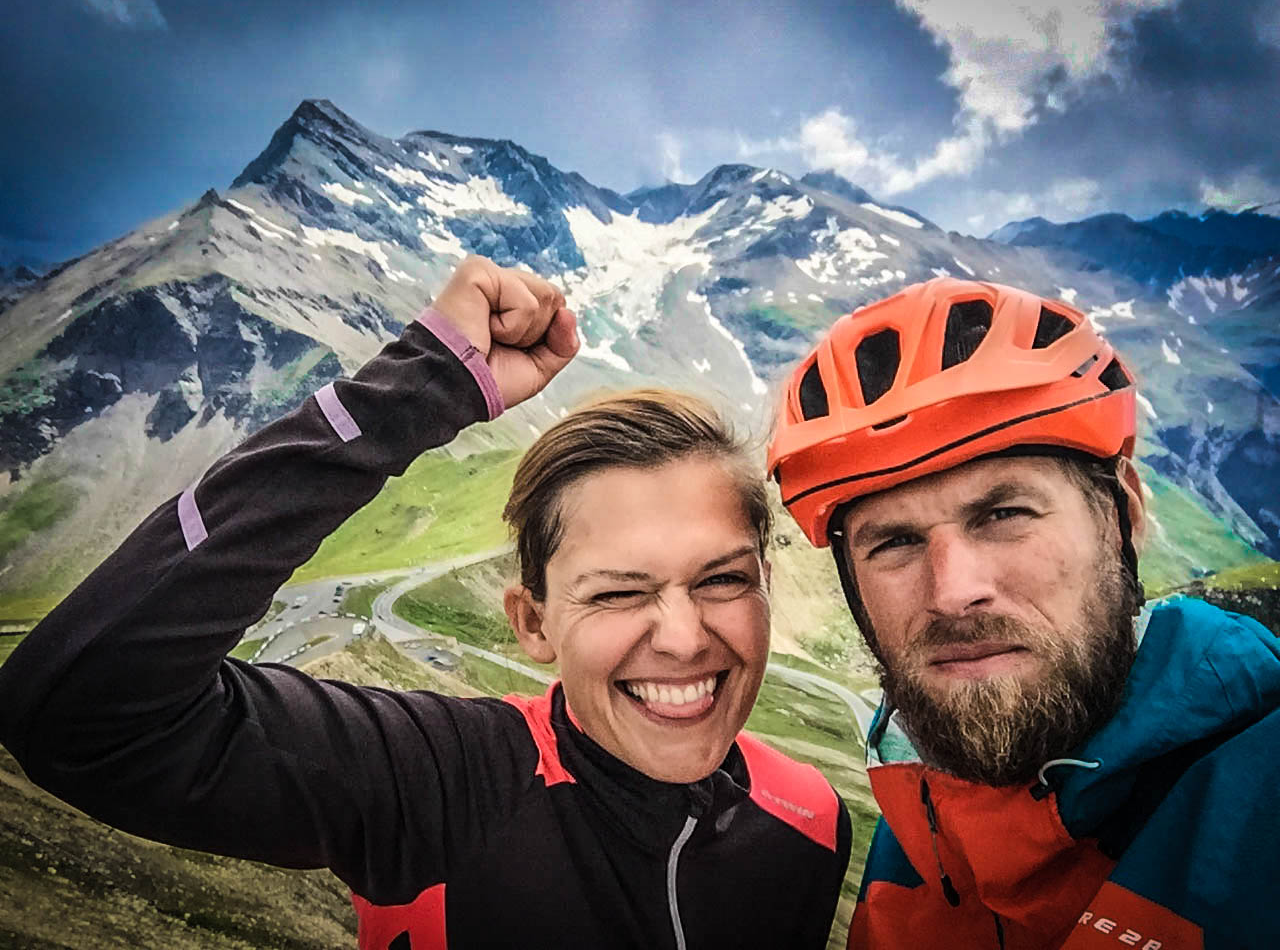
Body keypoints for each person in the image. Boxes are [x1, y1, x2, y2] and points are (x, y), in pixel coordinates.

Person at [0, 255, 850, 949]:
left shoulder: (812, 820)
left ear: (766, 587)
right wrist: (420, 388)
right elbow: (78, 712)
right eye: (620, 593)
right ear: (532, 623)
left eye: (722, 579)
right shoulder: (439, 783)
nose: (682, 636)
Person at [768, 278, 1280, 949]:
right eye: (894, 542)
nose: (953, 592)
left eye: (1004, 514)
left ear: (1122, 514)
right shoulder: (912, 832)